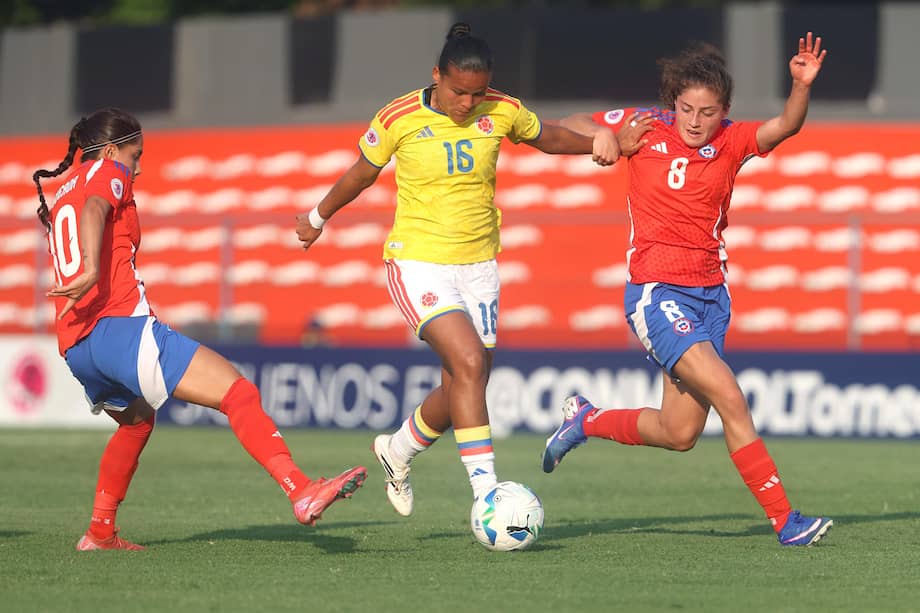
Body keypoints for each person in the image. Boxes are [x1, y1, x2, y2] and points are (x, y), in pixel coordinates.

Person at [295, 23, 622, 516]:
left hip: (480, 267)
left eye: (477, 93)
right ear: (436, 76)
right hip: (418, 261)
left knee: (462, 385)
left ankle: (397, 450)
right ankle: (487, 495)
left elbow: (551, 138)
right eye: (457, 92)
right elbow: (362, 172)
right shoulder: (398, 116)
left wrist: (607, 141)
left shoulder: (504, 109)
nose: (467, 103)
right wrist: (318, 218)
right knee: (469, 363)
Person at [542, 33, 833, 546]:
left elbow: (786, 125)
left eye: (708, 111)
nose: (696, 121)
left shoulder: (733, 140)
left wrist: (800, 87)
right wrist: (601, 139)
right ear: (671, 102)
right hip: (658, 293)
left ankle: (587, 420)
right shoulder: (644, 126)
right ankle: (787, 522)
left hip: (711, 297)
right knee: (731, 397)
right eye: (686, 109)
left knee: (679, 434)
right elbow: (570, 123)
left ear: (725, 111)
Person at [34, 107, 367, 551]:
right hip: (120, 330)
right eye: (135, 154)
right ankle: (300, 490)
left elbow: (87, 212)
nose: (138, 165)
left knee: (135, 424)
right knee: (239, 393)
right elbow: (97, 207)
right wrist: (94, 267)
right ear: (112, 150)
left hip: (77, 346)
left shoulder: (63, 192)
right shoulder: (106, 171)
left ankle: (100, 531)